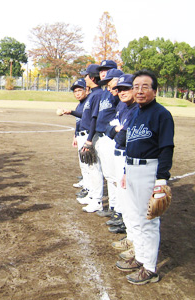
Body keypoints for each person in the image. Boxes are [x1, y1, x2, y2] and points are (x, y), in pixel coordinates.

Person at [116, 69, 174, 285]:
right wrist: (124, 171)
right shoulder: (136, 113)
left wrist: (161, 180)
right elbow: (131, 144)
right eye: (136, 87)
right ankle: (140, 257)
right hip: (131, 169)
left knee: (148, 221)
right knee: (135, 217)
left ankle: (150, 268)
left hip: (149, 170)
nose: (139, 91)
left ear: (155, 91)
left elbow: (166, 148)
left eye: (145, 87)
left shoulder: (161, 114)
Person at [105, 74, 138, 248]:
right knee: (123, 195)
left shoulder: (135, 110)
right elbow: (110, 130)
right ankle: (129, 235)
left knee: (129, 198)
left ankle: (131, 237)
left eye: (127, 88)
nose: (122, 92)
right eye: (120, 89)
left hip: (127, 156)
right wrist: (116, 130)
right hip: (118, 153)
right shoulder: (124, 107)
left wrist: (118, 130)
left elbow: (124, 136)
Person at [92, 67, 124, 219]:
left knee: (115, 177)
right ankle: (114, 207)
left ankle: (118, 209)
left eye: (111, 83)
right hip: (106, 136)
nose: (109, 87)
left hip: (113, 141)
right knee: (110, 176)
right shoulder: (108, 94)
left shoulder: (121, 100)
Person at [77, 64, 105, 213]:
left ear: (93, 78)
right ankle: (92, 196)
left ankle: (97, 200)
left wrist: (89, 139)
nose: (84, 78)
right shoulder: (93, 94)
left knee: (94, 168)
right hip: (87, 134)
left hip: (91, 135)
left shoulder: (98, 94)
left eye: (86, 75)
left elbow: (94, 118)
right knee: (89, 167)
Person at [57, 78, 89, 197]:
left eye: (80, 90)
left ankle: (89, 189)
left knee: (88, 164)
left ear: (86, 90)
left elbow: (86, 116)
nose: (77, 93)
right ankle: (86, 183)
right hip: (80, 135)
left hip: (87, 136)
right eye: (75, 92)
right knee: (83, 163)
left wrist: (70, 112)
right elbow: (79, 122)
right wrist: (75, 135)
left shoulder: (87, 103)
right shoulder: (79, 104)